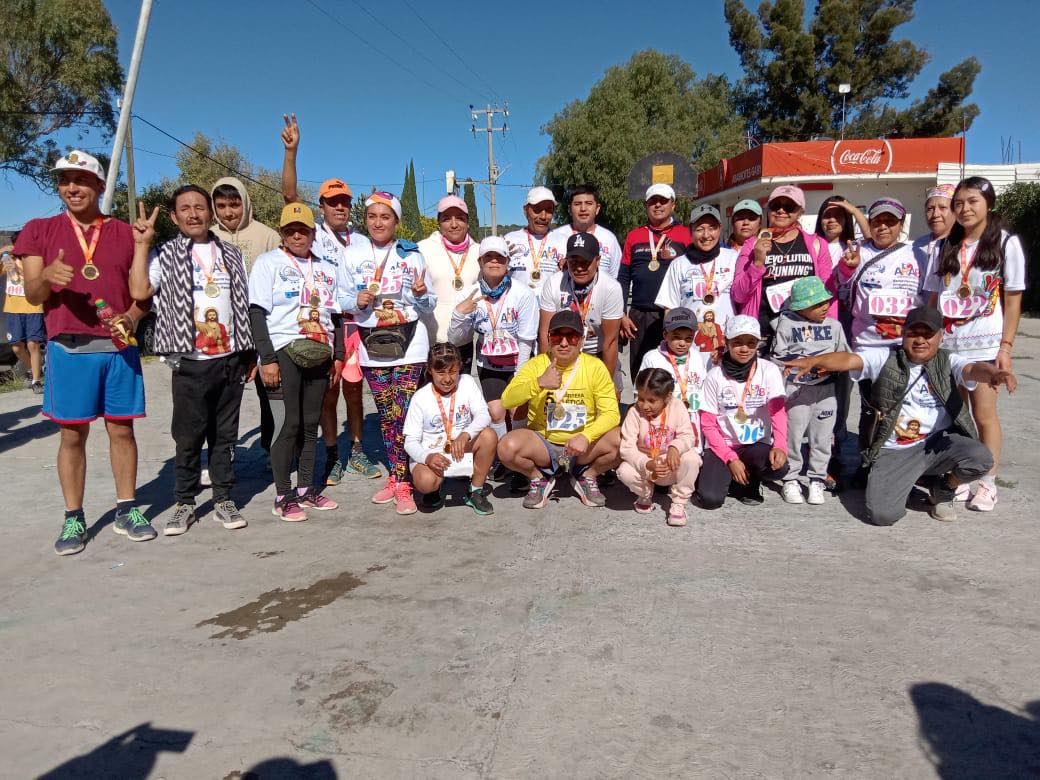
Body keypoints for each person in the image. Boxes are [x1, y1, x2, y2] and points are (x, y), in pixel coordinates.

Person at [15, 150, 155, 555]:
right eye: (64, 180)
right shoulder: (38, 230)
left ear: (99, 185)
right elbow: (32, 294)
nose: (71, 187)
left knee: (122, 431)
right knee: (72, 435)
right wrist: (45, 277)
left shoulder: (126, 233)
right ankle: (74, 516)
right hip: (68, 348)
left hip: (117, 348)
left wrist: (130, 317)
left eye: (80, 179)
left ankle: (127, 509)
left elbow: (141, 297)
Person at [785, 307, 1014, 524]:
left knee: (981, 458)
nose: (921, 340)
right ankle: (902, 481)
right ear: (903, 335)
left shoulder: (949, 360)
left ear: (941, 337)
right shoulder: (885, 357)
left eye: (928, 334)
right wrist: (814, 361)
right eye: (913, 333)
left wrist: (994, 373)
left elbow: (972, 369)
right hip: (896, 449)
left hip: (937, 445)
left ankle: (944, 487)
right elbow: (849, 360)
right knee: (882, 515)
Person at [129, 186, 255, 535]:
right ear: (174, 216)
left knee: (224, 436)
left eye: (200, 207)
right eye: (185, 208)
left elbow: (242, 305)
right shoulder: (163, 254)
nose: (194, 213)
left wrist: (249, 354)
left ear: (211, 213)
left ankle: (223, 500)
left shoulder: (231, 253)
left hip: (230, 358)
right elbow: (139, 292)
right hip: (189, 361)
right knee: (187, 437)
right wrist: (141, 244)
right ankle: (184, 503)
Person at [280, 113, 381, 487]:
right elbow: (290, 195)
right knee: (328, 392)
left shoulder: (361, 239)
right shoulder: (314, 235)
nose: (340, 208)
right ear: (320, 206)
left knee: (355, 391)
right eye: (332, 202)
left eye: (345, 202)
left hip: (360, 324)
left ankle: (356, 450)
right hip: (328, 324)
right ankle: (333, 453)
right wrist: (291, 153)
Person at [923, 176, 1027, 511]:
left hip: (984, 345)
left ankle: (988, 481)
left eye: (973, 202)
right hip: (950, 346)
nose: (965, 209)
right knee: (957, 417)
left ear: (988, 205)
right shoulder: (944, 246)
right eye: (960, 203)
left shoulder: (1006, 243)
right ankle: (963, 476)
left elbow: (1012, 301)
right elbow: (934, 298)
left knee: (984, 416)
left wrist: (1005, 349)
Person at [337, 191, 436, 515]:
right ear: (365, 220)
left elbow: (428, 304)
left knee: (403, 412)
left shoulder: (411, 254)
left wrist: (421, 294)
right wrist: (357, 302)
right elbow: (340, 298)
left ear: (396, 221)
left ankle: (404, 481)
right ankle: (395, 477)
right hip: (373, 343)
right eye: (372, 216)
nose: (378, 222)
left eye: (386, 216)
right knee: (385, 414)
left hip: (410, 342)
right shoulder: (352, 254)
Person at [249, 202, 342, 521]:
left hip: (319, 351)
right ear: (282, 233)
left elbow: (338, 317)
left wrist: (339, 356)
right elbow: (257, 313)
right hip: (284, 350)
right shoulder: (268, 262)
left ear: (313, 233)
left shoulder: (328, 268)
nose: (298, 235)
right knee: (286, 425)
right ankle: (282, 495)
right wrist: (267, 359)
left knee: (310, 424)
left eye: (303, 230)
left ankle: (306, 489)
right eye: (291, 230)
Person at [498, 310, 621, 509]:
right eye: (557, 336)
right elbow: (506, 399)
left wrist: (586, 436)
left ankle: (587, 475)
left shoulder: (595, 367)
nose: (563, 343)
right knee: (506, 447)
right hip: (544, 444)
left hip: (583, 447)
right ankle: (539, 478)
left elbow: (612, 413)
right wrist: (538, 383)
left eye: (571, 337)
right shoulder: (536, 365)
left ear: (581, 340)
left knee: (624, 440)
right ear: (549, 338)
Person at [447, 235, 538, 442]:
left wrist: (520, 376)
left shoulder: (522, 293)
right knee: (496, 412)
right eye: (489, 257)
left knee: (517, 410)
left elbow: (526, 340)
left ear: (507, 262)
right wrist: (459, 315)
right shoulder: (470, 294)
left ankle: (517, 453)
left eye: (500, 257)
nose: (494, 261)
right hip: (489, 363)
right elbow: (455, 339)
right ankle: (502, 457)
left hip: (519, 362)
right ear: (480, 262)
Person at [694, 315, 788, 509]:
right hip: (722, 445)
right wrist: (731, 459)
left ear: (758, 344)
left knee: (779, 467)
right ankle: (730, 477)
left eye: (751, 343)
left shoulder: (769, 370)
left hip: (754, 444)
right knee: (710, 499)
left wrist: (780, 446)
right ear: (726, 343)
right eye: (737, 342)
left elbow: (778, 412)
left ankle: (750, 481)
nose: (744, 349)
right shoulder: (714, 376)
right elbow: (708, 425)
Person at [771, 276, 848, 505]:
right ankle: (791, 477)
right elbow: (778, 358)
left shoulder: (834, 326)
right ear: (801, 306)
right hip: (797, 390)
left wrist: (830, 367)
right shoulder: (784, 324)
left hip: (826, 391)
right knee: (793, 435)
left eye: (825, 301)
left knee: (822, 437)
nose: (824, 306)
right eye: (817, 304)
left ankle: (817, 478)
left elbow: (844, 355)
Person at [731, 185, 835, 346]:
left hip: (804, 335)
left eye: (789, 207)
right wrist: (757, 263)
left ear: (801, 212)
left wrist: (829, 336)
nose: (781, 211)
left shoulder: (817, 244)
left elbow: (828, 295)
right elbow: (738, 295)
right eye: (775, 206)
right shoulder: (751, 245)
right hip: (763, 336)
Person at [403, 343, 497, 515]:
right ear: (430, 370)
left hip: (460, 446)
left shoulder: (467, 382)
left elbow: (484, 414)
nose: (447, 379)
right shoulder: (420, 397)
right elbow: (410, 442)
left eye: (453, 371)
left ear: (460, 368)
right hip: (434, 452)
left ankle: (475, 490)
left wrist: (466, 434)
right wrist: (428, 457)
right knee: (425, 482)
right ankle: (434, 488)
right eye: (440, 372)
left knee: (489, 435)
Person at [619, 184, 692, 379]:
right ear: (646, 205)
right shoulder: (634, 236)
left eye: (663, 201)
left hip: (672, 313)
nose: (658, 205)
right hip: (639, 314)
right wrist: (621, 314)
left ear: (673, 205)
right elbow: (624, 277)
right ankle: (640, 406)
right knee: (639, 370)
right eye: (653, 201)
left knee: (670, 368)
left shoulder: (686, 235)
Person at [539, 231, 624, 392]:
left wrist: (606, 385)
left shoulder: (611, 288)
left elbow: (610, 342)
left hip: (597, 354)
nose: (579, 268)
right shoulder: (554, 283)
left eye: (585, 262)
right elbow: (545, 334)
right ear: (566, 261)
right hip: (563, 354)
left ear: (597, 261)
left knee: (610, 400)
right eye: (574, 262)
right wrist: (547, 372)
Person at [654, 203, 737, 362]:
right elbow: (669, 309)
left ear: (719, 229)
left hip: (727, 347)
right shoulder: (679, 264)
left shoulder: (733, 258)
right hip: (690, 349)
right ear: (690, 231)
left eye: (712, 228)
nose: (706, 235)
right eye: (699, 229)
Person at [619, 367, 701, 526]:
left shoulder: (677, 407)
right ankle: (645, 493)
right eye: (640, 398)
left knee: (692, 459)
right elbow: (627, 448)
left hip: (669, 464)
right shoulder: (634, 412)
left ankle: (678, 502)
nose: (644, 406)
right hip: (646, 464)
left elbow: (688, 436)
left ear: (667, 397)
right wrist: (646, 463)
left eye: (651, 400)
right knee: (624, 471)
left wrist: (675, 447)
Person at [417, 195, 480, 372]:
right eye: (446, 219)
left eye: (460, 218)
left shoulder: (480, 251)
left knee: (460, 394)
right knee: (432, 395)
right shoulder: (423, 249)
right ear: (439, 222)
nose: (454, 224)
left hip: (464, 340)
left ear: (468, 222)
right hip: (432, 340)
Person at [637, 307, 710, 444]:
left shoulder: (696, 356)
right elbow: (640, 392)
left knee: (691, 455)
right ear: (665, 335)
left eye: (688, 339)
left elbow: (704, 387)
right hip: (663, 419)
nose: (682, 343)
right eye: (676, 337)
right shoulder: (652, 358)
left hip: (692, 418)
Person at [546, 184, 623, 278]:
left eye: (589, 203)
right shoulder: (554, 236)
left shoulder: (609, 239)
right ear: (570, 209)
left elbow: (617, 278)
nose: (583, 209)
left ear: (597, 208)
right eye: (577, 204)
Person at [2, 233, 45, 393]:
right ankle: (34, 370)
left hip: (34, 306)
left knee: (33, 344)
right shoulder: (8, 260)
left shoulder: (36, 258)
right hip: (13, 308)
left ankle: (36, 380)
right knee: (16, 348)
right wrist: (3, 251)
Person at [209, 177, 280, 274]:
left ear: (245, 204)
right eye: (221, 206)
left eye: (234, 205)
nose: (228, 213)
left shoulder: (269, 237)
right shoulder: (208, 237)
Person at [503, 186, 557, 295]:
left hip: (551, 310)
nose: (543, 216)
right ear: (525, 210)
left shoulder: (563, 241)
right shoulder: (509, 240)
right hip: (518, 309)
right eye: (537, 210)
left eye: (548, 210)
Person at [911, 184, 956, 305]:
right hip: (921, 315)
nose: (935, 214)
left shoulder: (962, 246)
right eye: (930, 208)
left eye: (942, 207)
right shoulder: (917, 245)